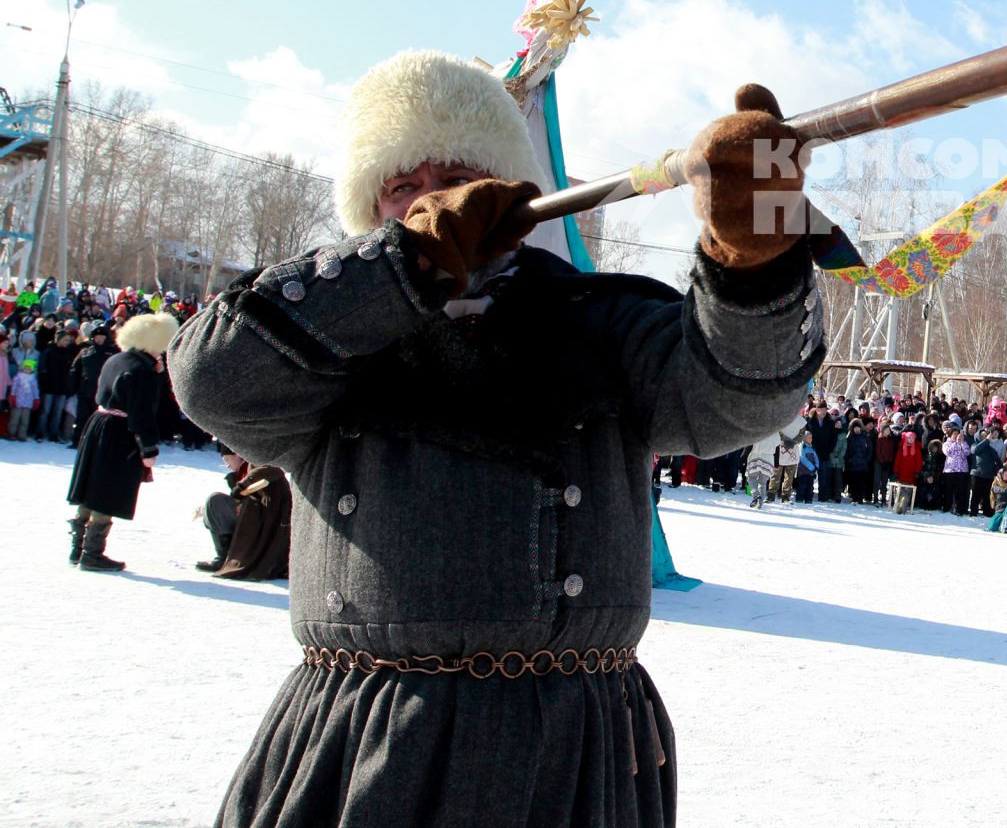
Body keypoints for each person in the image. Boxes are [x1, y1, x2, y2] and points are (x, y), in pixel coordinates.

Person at [170, 52, 821, 828]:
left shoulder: (597, 317)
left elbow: (735, 403)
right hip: (368, 735)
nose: (432, 198)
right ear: (369, 209)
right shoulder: (320, 335)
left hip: (573, 743)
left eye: (457, 176)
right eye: (403, 187)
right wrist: (403, 262)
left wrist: (760, 248)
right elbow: (209, 381)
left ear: (511, 195)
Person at [65, 313, 179, 570]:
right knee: (106, 490)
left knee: (89, 486)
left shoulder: (116, 359)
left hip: (98, 424)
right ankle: (92, 554)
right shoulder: (142, 371)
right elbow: (142, 413)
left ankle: (78, 549)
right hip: (120, 432)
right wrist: (148, 447)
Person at [197, 448, 294, 580]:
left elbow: (275, 469)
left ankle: (227, 558)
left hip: (265, 523)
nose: (227, 465)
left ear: (237, 454)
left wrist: (243, 485)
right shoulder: (241, 472)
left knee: (215, 502)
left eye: (227, 460)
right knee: (211, 509)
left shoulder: (255, 461)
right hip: (255, 520)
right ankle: (227, 557)